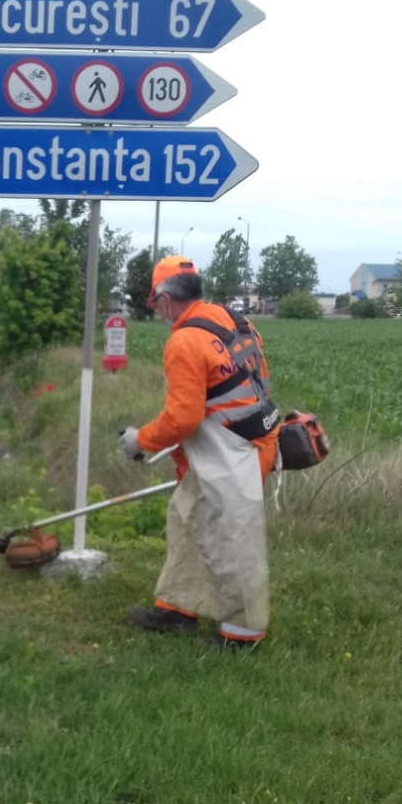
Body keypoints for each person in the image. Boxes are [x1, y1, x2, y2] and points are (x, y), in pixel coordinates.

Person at [118, 256, 280, 650]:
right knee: (187, 517)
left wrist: (141, 441)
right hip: (254, 439)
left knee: (231, 538)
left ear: (164, 298)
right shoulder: (236, 321)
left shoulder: (184, 341)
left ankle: (242, 635)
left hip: (230, 453)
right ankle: (177, 609)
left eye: (155, 303)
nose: (157, 311)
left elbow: (182, 418)